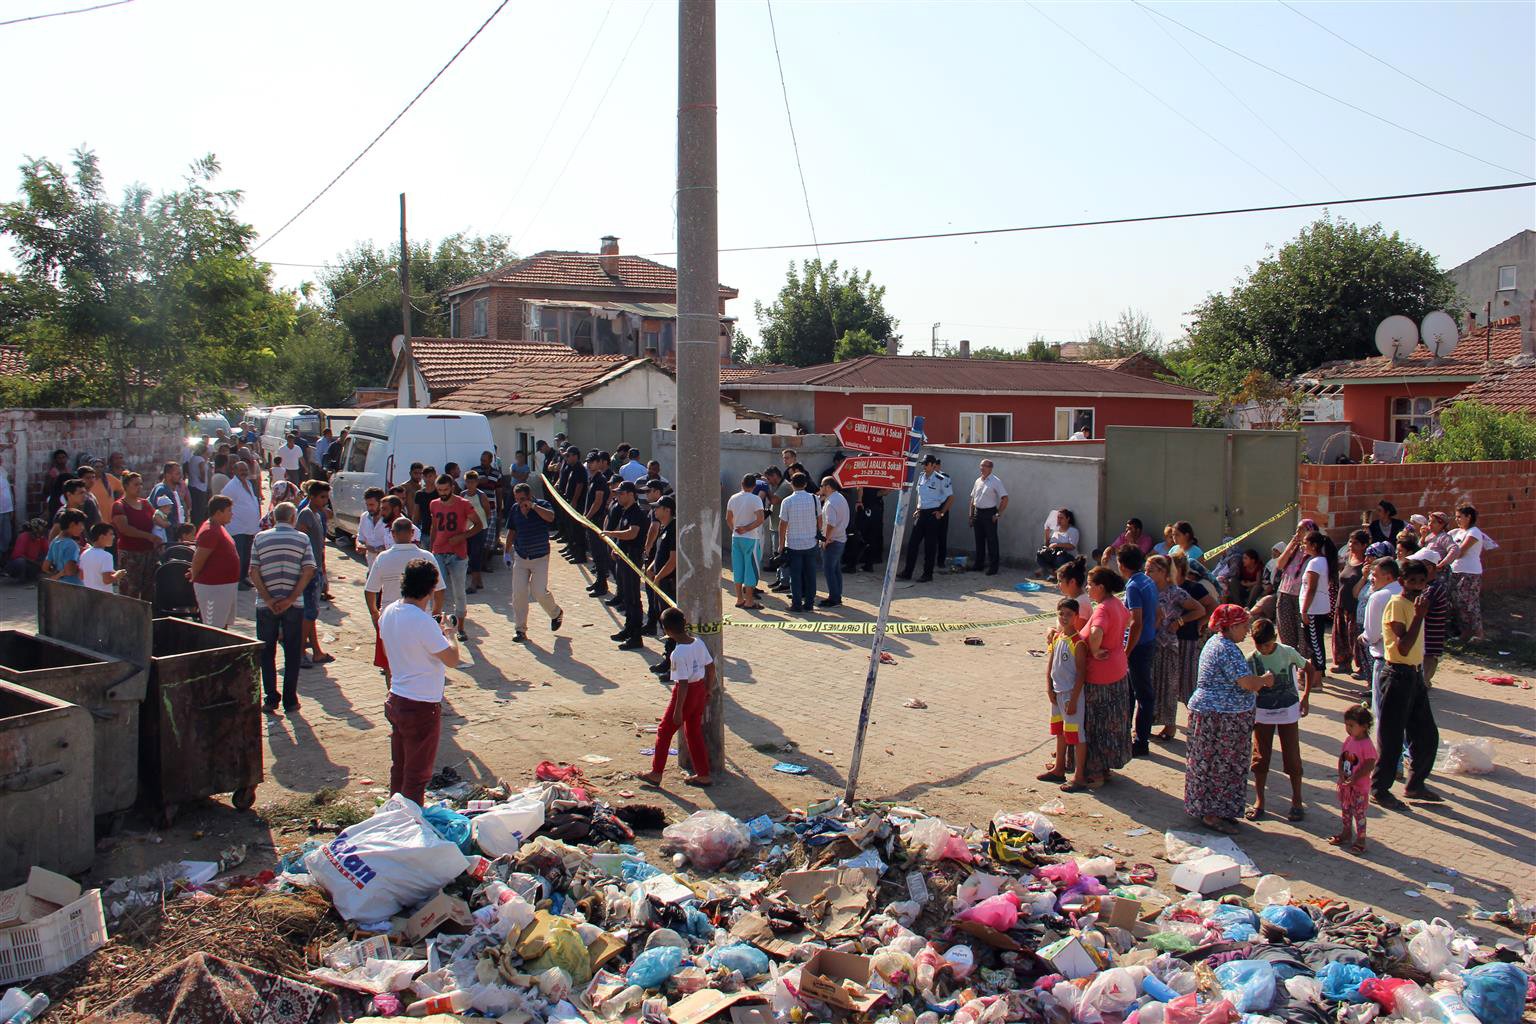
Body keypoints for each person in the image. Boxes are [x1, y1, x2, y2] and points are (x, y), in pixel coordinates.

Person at [1184, 604, 1273, 834]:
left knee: (1217, 764)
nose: (1247, 631)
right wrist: (1264, 680)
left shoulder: (1219, 643)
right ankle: (1212, 814)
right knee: (1218, 766)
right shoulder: (1225, 648)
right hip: (1219, 718)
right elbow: (1246, 683)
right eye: (1243, 626)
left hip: (1218, 715)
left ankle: (1220, 810)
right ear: (1231, 626)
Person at [381, 558, 460, 804]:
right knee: (417, 775)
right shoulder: (422, 621)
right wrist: (451, 636)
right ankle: (410, 824)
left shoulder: (390, 611)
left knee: (400, 767)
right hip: (421, 705)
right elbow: (452, 659)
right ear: (431, 589)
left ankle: (395, 815)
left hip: (396, 698)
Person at [1373, 560, 1441, 806]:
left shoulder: (1415, 605)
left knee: (1426, 735)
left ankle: (1415, 785)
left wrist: (1420, 614)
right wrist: (1420, 617)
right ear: (1401, 581)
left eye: (1422, 582)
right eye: (1412, 581)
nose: (1418, 586)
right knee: (1391, 736)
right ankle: (1379, 788)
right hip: (1397, 675)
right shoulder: (1397, 605)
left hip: (1414, 676)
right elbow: (1403, 647)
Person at [1063, 567, 1131, 792]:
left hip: (1100, 676)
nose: (1088, 589)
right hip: (1117, 670)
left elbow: (1095, 633)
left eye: (1091, 585)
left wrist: (1093, 649)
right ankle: (1104, 768)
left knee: (1096, 725)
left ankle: (1095, 772)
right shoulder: (1117, 604)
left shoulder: (1102, 608)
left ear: (1101, 587)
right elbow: (1127, 622)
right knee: (1112, 723)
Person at [249, 502, 316, 714]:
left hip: (265, 605)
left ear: (274, 518)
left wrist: (268, 599)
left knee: (267, 652)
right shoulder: (302, 539)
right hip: (293, 605)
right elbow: (308, 570)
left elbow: (253, 571)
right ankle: (290, 699)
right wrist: (291, 597)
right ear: (293, 517)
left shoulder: (260, 538)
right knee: (293, 652)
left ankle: (270, 698)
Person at [638, 608, 715, 789]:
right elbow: (711, 667)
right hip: (699, 691)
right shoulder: (698, 642)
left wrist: (678, 710)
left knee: (664, 732)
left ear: (666, 630)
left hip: (685, 694)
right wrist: (708, 689)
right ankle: (703, 774)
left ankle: (656, 773)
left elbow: (683, 684)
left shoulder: (678, 654)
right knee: (693, 732)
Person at [367, 518, 446, 684]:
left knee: (391, 664)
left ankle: (393, 696)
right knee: (425, 662)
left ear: (393, 534)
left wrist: (375, 613)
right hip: (422, 617)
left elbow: (370, 590)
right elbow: (440, 590)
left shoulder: (382, 558)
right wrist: (437, 613)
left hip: (390, 619)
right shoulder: (426, 556)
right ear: (412, 533)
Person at [1247, 618, 1309, 822]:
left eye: (1267, 644)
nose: (1264, 649)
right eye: (1259, 645)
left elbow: (1308, 668)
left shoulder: (1287, 652)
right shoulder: (1251, 659)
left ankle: (1297, 800)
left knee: (1292, 755)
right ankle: (1260, 801)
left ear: (1274, 639)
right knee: (1260, 757)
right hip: (1263, 712)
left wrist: (1306, 697)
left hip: (1288, 710)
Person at [1146, 554, 1201, 742]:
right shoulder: (1147, 589)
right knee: (1149, 685)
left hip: (1168, 644)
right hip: (1149, 643)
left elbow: (1199, 609)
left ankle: (1169, 727)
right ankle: (1147, 723)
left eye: (1151, 570)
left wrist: (1180, 621)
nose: (1147, 573)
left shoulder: (1176, 592)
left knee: (1168, 686)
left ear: (1163, 572)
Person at [502, 483, 564, 644]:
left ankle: (555, 613)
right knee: (519, 594)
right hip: (521, 557)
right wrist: (506, 552)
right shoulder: (515, 509)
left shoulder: (542, 505)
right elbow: (512, 531)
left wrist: (534, 507)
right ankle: (520, 629)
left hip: (540, 558)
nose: (520, 502)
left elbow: (551, 517)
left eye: (522, 498)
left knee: (539, 592)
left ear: (530, 496)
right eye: (517, 499)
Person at [1115, 545, 1159, 757]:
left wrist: (1126, 650)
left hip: (1138, 646)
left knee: (1142, 694)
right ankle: (1130, 734)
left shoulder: (1133, 587)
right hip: (1148, 641)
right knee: (1133, 692)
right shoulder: (1147, 581)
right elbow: (1159, 613)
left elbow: (1136, 622)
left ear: (1122, 565)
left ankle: (1141, 741)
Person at [1038, 598, 1088, 783]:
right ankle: (1059, 768)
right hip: (1057, 693)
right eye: (1061, 614)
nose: (1064, 618)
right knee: (1060, 732)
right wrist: (1048, 687)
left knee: (1076, 734)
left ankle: (1079, 776)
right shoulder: (1058, 637)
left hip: (1070, 694)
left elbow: (1082, 674)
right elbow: (1051, 663)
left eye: (1068, 614)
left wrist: (1074, 699)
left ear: (1076, 616)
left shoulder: (1078, 642)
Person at [429, 473, 480, 642]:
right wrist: (431, 549)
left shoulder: (463, 504)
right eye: (439, 490)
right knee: (438, 591)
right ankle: (435, 627)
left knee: (459, 592)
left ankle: (461, 627)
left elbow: (478, 524)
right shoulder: (434, 504)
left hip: (458, 554)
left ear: (452, 487)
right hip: (439, 551)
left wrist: (462, 536)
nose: (442, 493)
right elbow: (434, 527)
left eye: (445, 489)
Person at [602, 481, 649, 649]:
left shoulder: (636, 512)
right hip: (623, 558)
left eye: (621, 493)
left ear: (630, 494)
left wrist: (609, 534)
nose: (618, 496)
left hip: (632, 559)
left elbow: (631, 533)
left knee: (634, 598)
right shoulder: (625, 511)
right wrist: (617, 548)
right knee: (627, 598)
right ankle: (629, 629)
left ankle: (636, 637)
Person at [296, 481, 334, 665]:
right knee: (309, 613)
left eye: (326, 497)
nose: (325, 500)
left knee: (311, 612)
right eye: (322, 497)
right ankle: (300, 651)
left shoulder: (318, 514)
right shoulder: (306, 514)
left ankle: (316, 651)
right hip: (308, 570)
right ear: (312, 497)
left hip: (316, 568)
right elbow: (300, 541)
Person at [1330, 705, 1378, 854]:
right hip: (1346, 786)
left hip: (1358, 788)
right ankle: (1346, 832)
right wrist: (1341, 773)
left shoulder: (1366, 745)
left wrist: (1355, 778)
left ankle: (1361, 839)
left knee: (1359, 814)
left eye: (1351, 725)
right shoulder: (1349, 740)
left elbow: (1370, 764)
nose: (1348, 728)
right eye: (1346, 725)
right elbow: (1342, 757)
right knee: (1345, 811)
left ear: (1364, 727)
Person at [188, 495, 240, 629]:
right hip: (213, 589)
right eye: (229, 510)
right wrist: (194, 574)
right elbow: (199, 558)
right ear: (218, 513)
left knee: (222, 626)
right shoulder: (210, 531)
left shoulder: (219, 527)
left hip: (224, 587)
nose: (231, 514)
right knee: (212, 627)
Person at [898, 455, 952, 583]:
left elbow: (950, 497)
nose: (924, 466)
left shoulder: (941, 479)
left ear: (933, 465)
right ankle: (907, 572)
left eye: (926, 464)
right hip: (921, 514)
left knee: (930, 546)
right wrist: (917, 508)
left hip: (933, 515)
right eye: (923, 464)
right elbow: (918, 494)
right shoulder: (921, 476)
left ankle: (927, 574)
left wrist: (942, 512)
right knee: (912, 544)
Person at [1170, 553, 1214, 706]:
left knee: (1188, 680)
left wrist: (1200, 623)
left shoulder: (1193, 588)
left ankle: (1193, 717)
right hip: (1168, 640)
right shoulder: (1166, 588)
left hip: (1187, 638)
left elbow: (1211, 606)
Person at [1296, 530, 1336, 698]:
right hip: (1315, 608)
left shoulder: (1316, 563)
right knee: (1315, 642)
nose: (1303, 546)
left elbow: (1311, 588)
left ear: (1314, 545)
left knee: (1315, 644)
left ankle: (1317, 680)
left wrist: (1305, 610)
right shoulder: (1320, 561)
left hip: (1313, 609)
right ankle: (1317, 676)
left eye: (1305, 543)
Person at [1439, 504, 1486, 642]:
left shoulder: (1474, 532)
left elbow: (1460, 552)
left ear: (1468, 517)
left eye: (1460, 517)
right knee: (1457, 602)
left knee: (1469, 603)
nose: (1457, 520)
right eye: (1456, 517)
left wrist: (1450, 552)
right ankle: (1465, 633)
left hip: (1470, 572)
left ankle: (1479, 634)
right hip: (1455, 571)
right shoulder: (1456, 532)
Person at [113, 472, 162, 600]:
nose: (139, 487)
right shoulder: (119, 506)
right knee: (130, 590)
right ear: (126, 486)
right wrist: (148, 536)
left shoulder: (146, 504)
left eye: (141, 484)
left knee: (149, 589)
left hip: (149, 553)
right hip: (131, 553)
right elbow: (125, 529)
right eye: (135, 484)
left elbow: (157, 519)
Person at [778, 472, 820, 612]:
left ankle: (796, 604)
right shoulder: (815, 499)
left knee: (795, 576)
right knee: (810, 575)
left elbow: (783, 524)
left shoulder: (787, 501)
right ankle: (809, 603)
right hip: (811, 542)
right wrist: (817, 532)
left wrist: (781, 544)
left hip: (794, 544)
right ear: (806, 484)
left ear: (791, 484)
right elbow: (819, 519)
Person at [646, 498, 679, 672]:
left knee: (672, 624)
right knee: (664, 623)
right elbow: (661, 554)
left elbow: (673, 561)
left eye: (657, 508)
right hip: (661, 581)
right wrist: (651, 569)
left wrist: (658, 577)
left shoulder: (673, 529)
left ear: (667, 510)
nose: (654, 511)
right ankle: (668, 659)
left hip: (669, 583)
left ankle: (673, 664)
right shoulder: (663, 528)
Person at [1271, 519, 1315, 648]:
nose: (1297, 532)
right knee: (1286, 631)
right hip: (1285, 592)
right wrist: (1291, 544)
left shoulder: (1314, 550)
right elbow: (1280, 564)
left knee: (1303, 633)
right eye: (1297, 529)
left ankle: (1303, 662)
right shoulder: (1294, 548)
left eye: (1301, 529)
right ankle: (1291, 659)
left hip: (1302, 595)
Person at [1331, 530, 1370, 675]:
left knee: (1354, 638)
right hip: (1341, 605)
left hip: (1355, 607)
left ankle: (1361, 667)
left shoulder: (1366, 564)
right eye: (1350, 541)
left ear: (1364, 545)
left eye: (1356, 543)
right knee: (1340, 636)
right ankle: (1343, 664)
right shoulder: (1347, 558)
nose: (1351, 545)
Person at [726, 474, 765, 609]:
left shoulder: (733, 498)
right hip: (751, 538)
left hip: (736, 538)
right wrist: (746, 529)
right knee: (750, 569)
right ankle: (749, 601)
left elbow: (728, 518)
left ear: (741, 484)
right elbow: (760, 519)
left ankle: (739, 599)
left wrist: (735, 530)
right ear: (754, 486)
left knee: (737, 568)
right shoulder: (756, 499)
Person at [222, 459, 262, 589]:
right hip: (237, 528)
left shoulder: (249, 484)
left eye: (246, 470)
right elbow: (224, 504)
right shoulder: (231, 487)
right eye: (241, 470)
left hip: (250, 528)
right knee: (239, 556)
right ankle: (236, 581)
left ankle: (243, 577)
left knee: (247, 557)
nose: (244, 472)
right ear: (234, 471)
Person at [968, 460, 1008, 576]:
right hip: (978, 513)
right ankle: (979, 564)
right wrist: (971, 515)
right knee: (979, 540)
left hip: (989, 513)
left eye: (984, 466)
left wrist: (998, 514)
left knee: (992, 541)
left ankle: (993, 567)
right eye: (981, 466)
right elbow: (972, 499)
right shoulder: (978, 481)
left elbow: (1005, 498)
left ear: (990, 468)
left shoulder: (995, 481)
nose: (982, 468)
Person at [584, 453, 615, 598]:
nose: (590, 465)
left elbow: (598, 502)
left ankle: (602, 585)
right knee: (595, 554)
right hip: (591, 521)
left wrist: (587, 517)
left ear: (598, 463)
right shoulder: (593, 479)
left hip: (596, 521)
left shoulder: (600, 480)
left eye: (592, 462)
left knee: (600, 553)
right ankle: (599, 581)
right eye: (588, 462)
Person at [818, 476, 850, 608]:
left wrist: (826, 540)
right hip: (840, 538)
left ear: (828, 487)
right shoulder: (839, 498)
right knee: (835, 570)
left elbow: (831, 523)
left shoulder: (831, 503)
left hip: (833, 540)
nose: (820, 488)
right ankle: (837, 596)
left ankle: (834, 599)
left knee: (829, 570)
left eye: (822, 486)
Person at [463, 471, 492, 593]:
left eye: (473, 482)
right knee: (470, 554)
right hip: (467, 529)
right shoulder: (462, 495)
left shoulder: (481, 496)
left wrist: (485, 526)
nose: (470, 485)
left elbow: (488, 512)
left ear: (477, 482)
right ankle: (479, 580)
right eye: (468, 482)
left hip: (480, 529)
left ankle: (473, 583)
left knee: (476, 555)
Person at [44, 509, 86, 584]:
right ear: (72, 524)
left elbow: (45, 567)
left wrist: (58, 574)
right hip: (73, 586)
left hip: (59, 584)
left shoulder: (55, 541)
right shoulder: (71, 544)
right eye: (81, 524)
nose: (83, 528)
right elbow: (70, 571)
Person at [79, 523, 123, 593]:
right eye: (111, 534)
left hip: (87, 594)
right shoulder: (107, 556)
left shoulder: (84, 554)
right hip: (102, 597)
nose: (114, 537)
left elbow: (81, 576)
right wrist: (118, 574)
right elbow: (107, 580)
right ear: (102, 537)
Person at [1036, 509, 1080, 577]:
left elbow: (1072, 546)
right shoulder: (1055, 530)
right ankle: (1053, 572)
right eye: (1058, 518)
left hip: (1068, 556)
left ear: (1068, 519)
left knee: (1060, 558)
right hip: (1055, 555)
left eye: (1061, 518)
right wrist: (1046, 534)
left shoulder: (1073, 531)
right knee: (1040, 556)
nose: (1059, 520)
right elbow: (1048, 545)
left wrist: (1057, 545)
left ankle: (1053, 573)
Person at [358, 487, 390, 566]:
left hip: (387, 566)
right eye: (367, 505)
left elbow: (394, 544)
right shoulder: (364, 516)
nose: (369, 508)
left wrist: (374, 549)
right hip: (371, 565)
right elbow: (360, 536)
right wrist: (359, 545)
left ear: (381, 503)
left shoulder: (390, 519)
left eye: (372, 505)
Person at [0, 455, 13, 559]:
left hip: (6, 510)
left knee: (6, 537)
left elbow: (8, 491)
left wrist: (11, 509)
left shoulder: (3, 472)